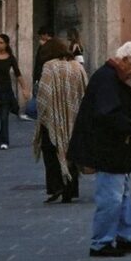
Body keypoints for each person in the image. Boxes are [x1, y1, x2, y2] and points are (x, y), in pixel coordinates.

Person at [68, 41, 131, 258]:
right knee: (111, 197)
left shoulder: (112, 76)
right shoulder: (106, 79)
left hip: (114, 148)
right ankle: (100, 243)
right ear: (123, 60)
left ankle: (126, 237)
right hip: (105, 148)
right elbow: (107, 113)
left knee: (121, 193)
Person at [33, 38, 87, 203]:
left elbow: (43, 94)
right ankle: (70, 188)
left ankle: (56, 185)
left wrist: (43, 115)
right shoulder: (77, 67)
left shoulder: (49, 67)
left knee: (51, 150)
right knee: (71, 151)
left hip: (53, 118)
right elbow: (85, 89)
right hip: (74, 116)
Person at [0, 34, 29, 150]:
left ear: (6, 44)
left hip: (5, 90)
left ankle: (4, 141)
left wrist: (24, 88)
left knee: (4, 117)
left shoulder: (11, 58)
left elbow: (18, 74)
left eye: (1, 42)